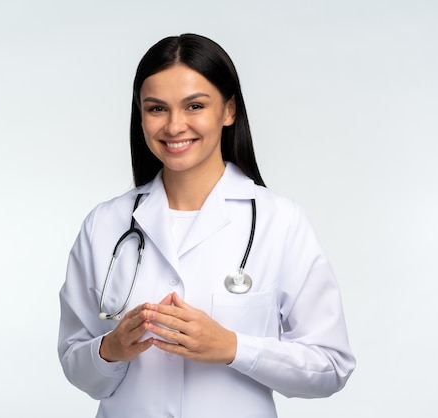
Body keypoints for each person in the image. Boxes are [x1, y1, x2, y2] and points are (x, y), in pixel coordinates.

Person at [58, 33, 355, 418]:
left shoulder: (278, 221)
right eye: (156, 109)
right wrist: (109, 349)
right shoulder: (106, 224)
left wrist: (232, 347)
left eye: (194, 105)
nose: (175, 126)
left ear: (228, 111)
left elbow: (331, 366)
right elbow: (75, 363)